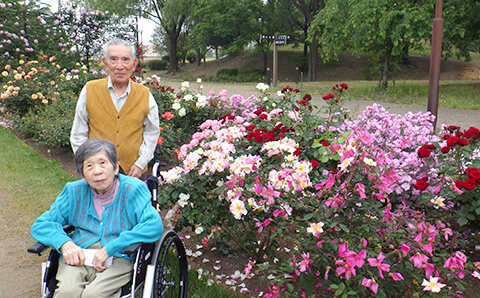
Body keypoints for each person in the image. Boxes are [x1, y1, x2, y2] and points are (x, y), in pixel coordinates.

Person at [31, 138, 163, 297]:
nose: (97, 171)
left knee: (93, 295)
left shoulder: (133, 190)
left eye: (102, 163)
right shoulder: (74, 192)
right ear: (83, 175)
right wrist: (65, 243)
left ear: (115, 167)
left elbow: (153, 225)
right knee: (67, 292)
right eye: (89, 166)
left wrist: (111, 247)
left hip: (118, 257)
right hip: (79, 255)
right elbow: (41, 224)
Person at [70, 38, 160, 180]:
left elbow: (152, 132)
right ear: (105, 63)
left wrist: (140, 164)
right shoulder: (89, 90)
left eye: (125, 59)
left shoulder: (145, 94)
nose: (120, 66)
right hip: (98, 173)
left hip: (134, 172)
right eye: (113, 59)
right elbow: (78, 133)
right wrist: (88, 165)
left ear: (134, 64)